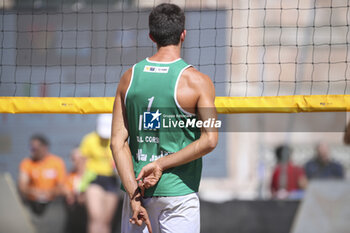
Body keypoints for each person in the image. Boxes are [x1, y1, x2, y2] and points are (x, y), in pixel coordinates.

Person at [110, 3, 218, 233]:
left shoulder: (129, 77)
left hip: (138, 193)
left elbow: (117, 143)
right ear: (183, 35)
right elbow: (210, 140)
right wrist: (160, 163)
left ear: (151, 36)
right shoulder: (198, 81)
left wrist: (133, 195)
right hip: (178, 194)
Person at [79, 114, 120, 233]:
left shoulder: (116, 140)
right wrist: (81, 188)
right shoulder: (89, 139)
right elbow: (82, 163)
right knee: (95, 218)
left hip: (112, 180)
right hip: (94, 179)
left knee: (105, 221)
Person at [18, 134, 66, 215]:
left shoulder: (56, 162)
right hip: (31, 204)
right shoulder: (27, 163)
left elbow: (61, 186)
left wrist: (49, 193)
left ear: (44, 148)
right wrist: (34, 192)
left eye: (35, 149)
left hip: (53, 205)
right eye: (31, 148)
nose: (32, 151)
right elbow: (22, 185)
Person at [64, 148, 87, 233]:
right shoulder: (70, 176)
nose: (74, 162)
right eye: (73, 159)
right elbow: (64, 187)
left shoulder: (92, 175)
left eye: (75, 159)